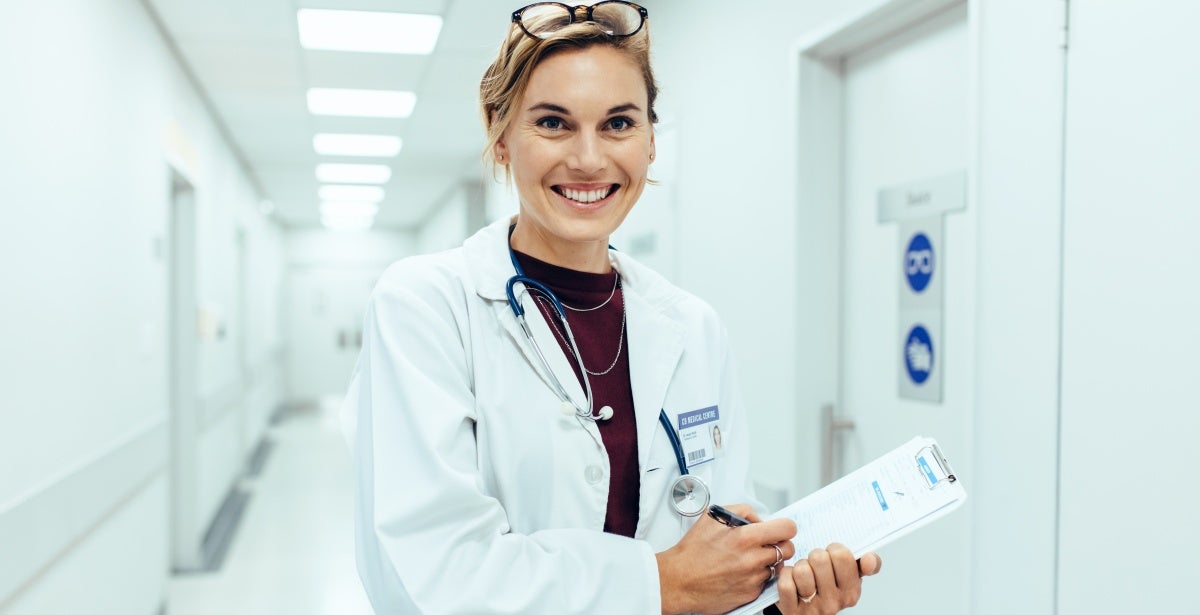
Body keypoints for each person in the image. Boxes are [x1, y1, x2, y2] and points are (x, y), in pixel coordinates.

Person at [341, 3, 882, 613]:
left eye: (619, 123)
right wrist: (664, 584)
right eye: (553, 123)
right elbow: (431, 574)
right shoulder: (425, 308)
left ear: (651, 142)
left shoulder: (693, 328)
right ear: (500, 136)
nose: (590, 158)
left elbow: (720, 562)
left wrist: (781, 605)